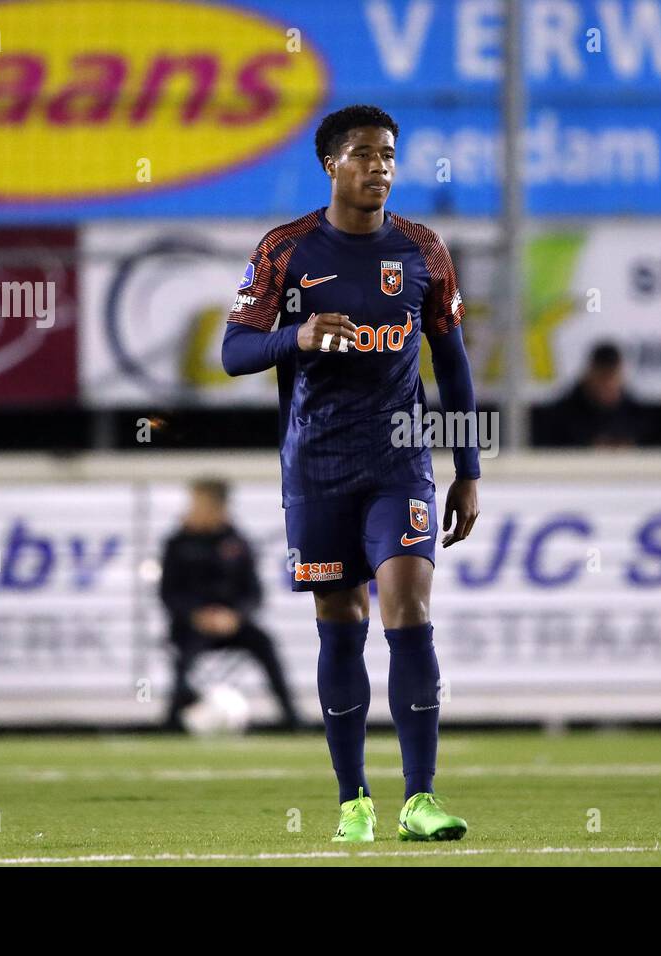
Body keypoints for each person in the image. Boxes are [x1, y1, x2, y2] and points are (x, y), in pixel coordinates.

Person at [221, 105, 478, 842]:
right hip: (317, 468)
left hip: (400, 462)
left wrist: (469, 470)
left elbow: (453, 366)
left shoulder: (423, 251)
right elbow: (234, 352)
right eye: (364, 153)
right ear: (331, 164)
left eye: (389, 154)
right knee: (341, 624)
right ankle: (353, 801)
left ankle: (420, 799)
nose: (380, 167)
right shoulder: (286, 250)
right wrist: (295, 336)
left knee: (410, 611)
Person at [159, 478, 299, 731]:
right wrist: (195, 615)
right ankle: (172, 721)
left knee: (264, 644)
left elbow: (254, 593)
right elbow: (168, 593)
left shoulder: (237, 542)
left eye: (198, 504)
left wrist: (235, 616)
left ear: (217, 506)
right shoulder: (177, 544)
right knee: (181, 655)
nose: (192, 509)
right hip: (191, 625)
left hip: (232, 623)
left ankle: (292, 717)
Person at [540, 341, 648, 447]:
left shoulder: (636, 414)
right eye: (602, 377)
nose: (607, 384)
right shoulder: (562, 416)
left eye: (611, 377)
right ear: (590, 375)